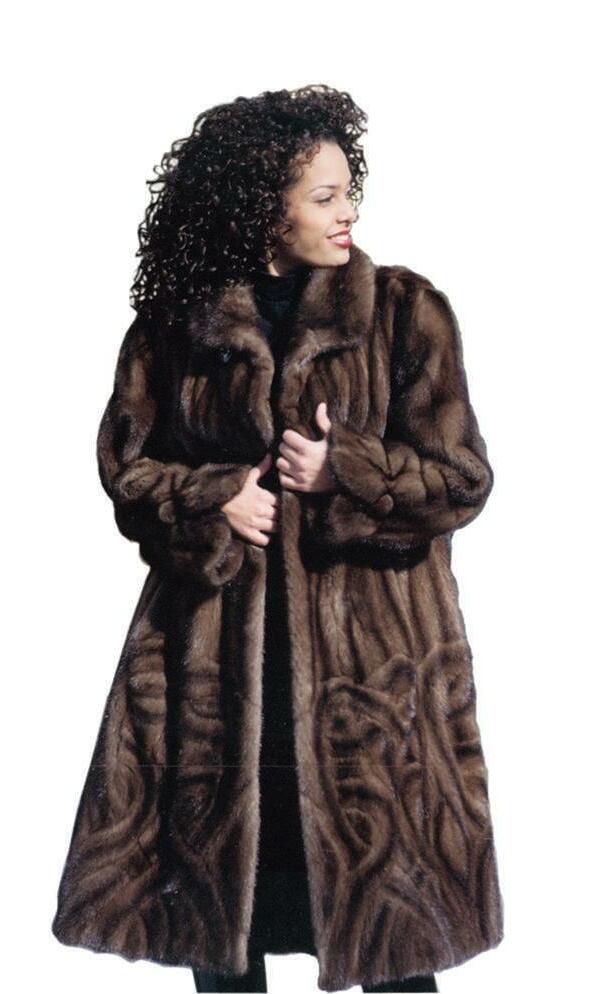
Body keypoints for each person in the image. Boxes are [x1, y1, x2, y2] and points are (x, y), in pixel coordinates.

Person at [51, 84, 502, 993]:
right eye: (323, 196)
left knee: (391, 932)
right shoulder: (176, 326)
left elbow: (462, 478)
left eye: (348, 191)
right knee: (222, 929)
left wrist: (351, 473)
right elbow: (126, 473)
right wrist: (211, 499)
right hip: (216, 673)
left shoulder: (403, 312)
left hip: (370, 681)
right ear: (261, 208)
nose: (348, 212)